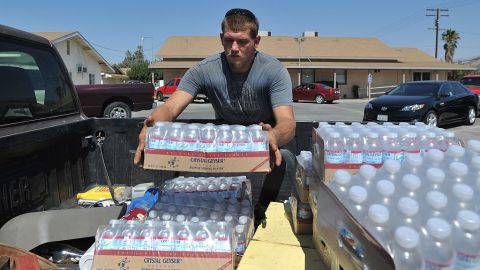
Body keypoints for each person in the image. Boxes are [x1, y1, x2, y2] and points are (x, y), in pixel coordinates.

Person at [134, 8, 295, 213]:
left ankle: (269, 214)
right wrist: (153, 126)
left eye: (242, 41)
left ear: (256, 42)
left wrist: (275, 135)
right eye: (229, 40)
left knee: (287, 158)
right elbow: (170, 107)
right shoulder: (204, 70)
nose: (234, 48)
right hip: (225, 150)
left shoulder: (273, 71)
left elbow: (287, 122)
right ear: (221, 38)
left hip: (263, 149)